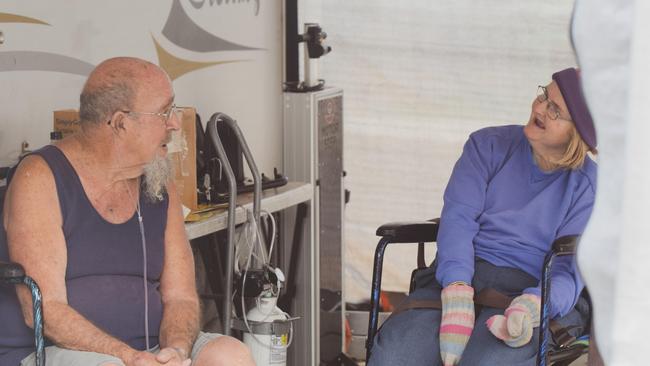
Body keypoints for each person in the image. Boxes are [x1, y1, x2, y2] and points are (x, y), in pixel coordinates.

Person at [0, 57, 255, 366]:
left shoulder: (159, 182)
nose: (175, 123)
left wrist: (175, 351)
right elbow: (45, 310)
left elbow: (181, 297)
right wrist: (127, 357)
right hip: (57, 350)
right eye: (165, 112)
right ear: (120, 123)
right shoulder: (40, 177)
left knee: (230, 356)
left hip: (149, 352)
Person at [367, 68, 597, 366]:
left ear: (576, 132)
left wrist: (535, 304)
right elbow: (458, 218)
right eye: (543, 95)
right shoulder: (487, 145)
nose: (539, 107)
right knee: (394, 356)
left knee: (485, 361)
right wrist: (457, 288)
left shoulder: (588, 186)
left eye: (555, 109)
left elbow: (570, 270)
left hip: (533, 289)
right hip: (460, 276)